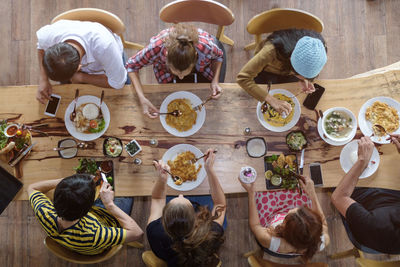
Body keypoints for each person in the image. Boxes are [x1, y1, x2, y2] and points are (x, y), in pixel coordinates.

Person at [27, 174, 143, 255]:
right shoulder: (95, 234)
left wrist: (66, 182)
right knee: (127, 189)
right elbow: (137, 233)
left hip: (77, 243)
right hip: (108, 222)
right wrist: (109, 204)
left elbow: (31, 188)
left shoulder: (44, 213)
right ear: (89, 208)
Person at [125, 24, 224, 118]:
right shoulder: (156, 47)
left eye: (184, 73)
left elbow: (218, 57)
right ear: (166, 56)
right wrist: (141, 98)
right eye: (177, 73)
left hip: (202, 69)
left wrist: (215, 80)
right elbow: (131, 66)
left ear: (196, 57)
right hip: (165, 74)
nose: (181, 78)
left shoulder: (206, 46)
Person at [147, 149, 226, 267]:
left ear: (164, 220)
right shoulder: (211, 233)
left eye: (178, 197)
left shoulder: (155, 231)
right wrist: (209, 170)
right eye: (185, 200)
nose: (181, 194)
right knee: (206, 200)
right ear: (196, 219)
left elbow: (158, 199)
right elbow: (220, 204)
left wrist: (162, 179)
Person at [331, 136, 400, 254]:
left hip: (365, 217)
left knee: (333, 177)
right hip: (389, 202)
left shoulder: (380, 228)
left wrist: (362, 160)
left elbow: (338, 198)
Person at [237, 29, 327, 115]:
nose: (304, 78)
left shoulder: (319, 48)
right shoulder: (270, 51)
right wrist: (271, 100)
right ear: (290, 62)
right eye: (301, 75)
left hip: (286, 72)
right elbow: (243, 78)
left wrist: (305, 80)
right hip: (266, 71)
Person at [240, 175, 330, 261]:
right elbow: (323, 223)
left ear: (284, 227)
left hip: (270, 218)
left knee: (261, 192)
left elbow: (255, 225)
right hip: (293, 232)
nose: (289, 210)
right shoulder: (322, 241)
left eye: (287, 216)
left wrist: (251, 193)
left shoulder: (270, 240)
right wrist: (312, 193)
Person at [36, 19, 128, 103]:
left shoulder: (105, 48)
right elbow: (41, 47)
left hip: (111, 64)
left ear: (79, 67)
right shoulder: (50, 34)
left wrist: (81, 77)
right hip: (74, 70)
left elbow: (118, 82)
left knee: (124, 96)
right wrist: (43, 79)